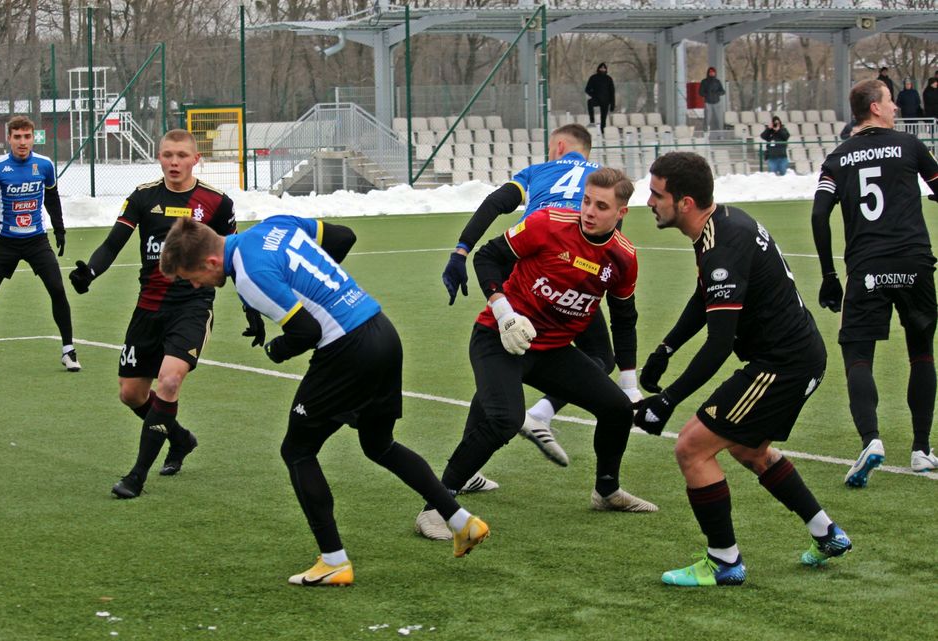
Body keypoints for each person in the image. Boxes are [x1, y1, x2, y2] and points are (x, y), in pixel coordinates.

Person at [159, 215, 490, 586]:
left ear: (211, 262)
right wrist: (318, 284)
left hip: (346, 350)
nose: (195, 285)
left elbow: (306, 331)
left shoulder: (250, 275)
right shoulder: (274, 225)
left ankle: (334, 561)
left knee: (297, 451)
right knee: (379, 444)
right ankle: (462, 523)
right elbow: (342, 237)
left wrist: (277, 349)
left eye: (191, 278)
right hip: (381, 330)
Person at [636, 151, 851, 587]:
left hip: (783, 364)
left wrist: (667, 400)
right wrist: (667, 347)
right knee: (748, 450)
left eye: (657, 195)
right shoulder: (721, 226)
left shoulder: (721, 245)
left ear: (686, 202)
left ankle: (724, 561)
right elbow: (707, 297)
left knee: (692, 448)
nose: (649, 202)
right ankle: (827, 533)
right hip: (792, 356)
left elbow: (718, 344)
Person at [421, 167, 655, 542]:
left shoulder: (623, 257)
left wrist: (629, 385)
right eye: (586, 201)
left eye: (601, 206)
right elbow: (488, 257)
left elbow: (624, 319)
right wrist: (503, 311)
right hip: (499, 337)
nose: (589, 211)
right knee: (504, 419)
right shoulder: (547, 223)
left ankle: (606, 492)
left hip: (552, 351)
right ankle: (436, 505)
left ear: (621, 213)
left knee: (615, 409)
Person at [440, 123, 641, 485]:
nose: (591, 208)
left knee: (511, 358)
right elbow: (609, 246)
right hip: (555, 266)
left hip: (530, 258)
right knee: (595, 356)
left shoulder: (541, 171)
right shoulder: (600, 180)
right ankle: (539, 412)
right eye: (588, 202)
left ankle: (538, 415)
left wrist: (461, 248)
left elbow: (497, 203)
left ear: (559, 146)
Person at [69, 129, 236, 498]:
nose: (174, 162)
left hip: (192, 305)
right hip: (149, 307)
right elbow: (114, 243)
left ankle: (136, 477)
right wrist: (91, 272)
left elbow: (233, 255)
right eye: (167, 155)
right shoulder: (144, 197)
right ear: (159, 157)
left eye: (181, 155)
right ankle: (179, 439)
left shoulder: (216, 202)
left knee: (170, 381)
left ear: (196, 159)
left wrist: (251, 306)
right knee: (131, 394)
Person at [811, 79, 938, 484]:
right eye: (891, 101)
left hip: (867, 267)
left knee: (857, 353)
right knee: (921, 352)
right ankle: (921, 450)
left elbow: (818, 215)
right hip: (915, 262)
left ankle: (871, 440)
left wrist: (830, 275)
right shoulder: (910, 147)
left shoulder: (837, 157)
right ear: (876, 107)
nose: (897, 107)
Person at [0, 115, 77, 370]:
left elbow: (52, 197)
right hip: (5, 242)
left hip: (37, 241)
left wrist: (59, 229)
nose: (22, 142)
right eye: (17, 137)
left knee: (58, 290)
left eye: (27, 136)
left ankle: (68, 351)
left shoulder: (45, 165)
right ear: (9, 139)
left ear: (33, 137)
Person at [585, 63, 615, 134]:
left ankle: (602, 132)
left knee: (603, 118)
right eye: (601, 68)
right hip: (597, 99)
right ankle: (592, 122)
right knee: (590, 102)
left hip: (606, 100)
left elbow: (612, 92)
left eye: (604, 68)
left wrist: (612, 104)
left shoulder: (609, 79)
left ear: (606, 69)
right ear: (598, 69)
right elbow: (587, 89)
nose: (602, 69)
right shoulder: (593, 78)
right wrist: (593, 95)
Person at [699, 67, 726, 132]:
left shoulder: (717, 81)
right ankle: (705, 134)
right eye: (710, 72)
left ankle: (720, 134)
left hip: (717, 102)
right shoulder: (704, 81)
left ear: (715, 73)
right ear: (708, 73)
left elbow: (723, 91)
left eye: (713, 72)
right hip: (708, 103)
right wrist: (707, 94)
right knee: (707, 119)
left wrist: (717, 93)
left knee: (719, 119)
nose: (712, 73)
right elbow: (700, 92)